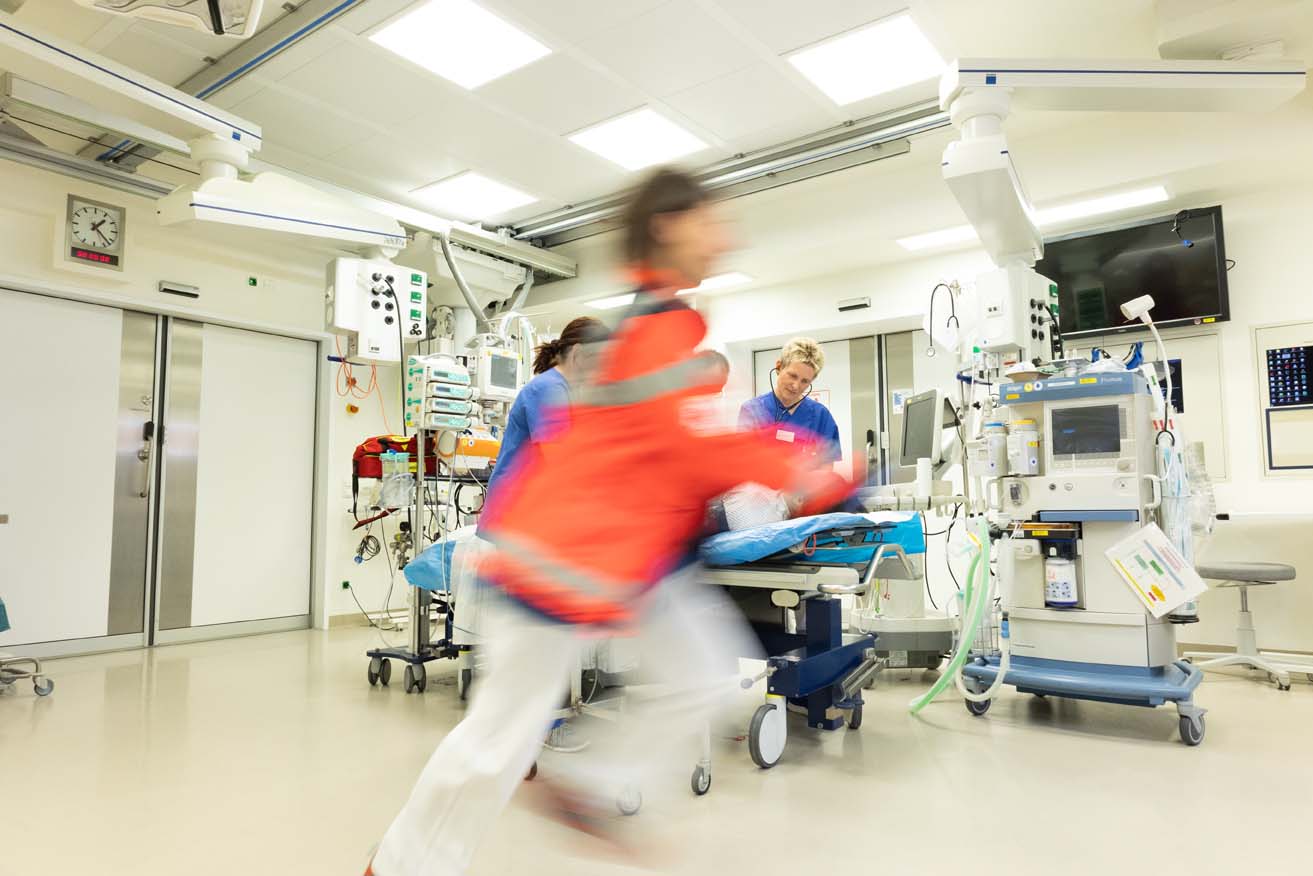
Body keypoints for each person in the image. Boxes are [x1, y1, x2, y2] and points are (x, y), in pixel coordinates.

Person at [367, 168, 853, 876]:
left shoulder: (665, 330)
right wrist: (804, 474)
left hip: (633, 562)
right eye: (708, 220)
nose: (723, 236)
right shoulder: (648, 334)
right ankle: (401, 865)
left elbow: (674, 456)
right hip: (556, 557)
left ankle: (592, 788)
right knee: (497, 741)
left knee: (706, 674)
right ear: (665, 227)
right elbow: (681, 450)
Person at [484, 315, 604, 497]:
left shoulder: (565, 390)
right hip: (513, 504)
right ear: (578, 353)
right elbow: (560, 460)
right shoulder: (549, 389)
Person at [739, 337, 843, 464]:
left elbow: (826, 468)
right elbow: (744, 462)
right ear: (779, 367)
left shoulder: (821, 416)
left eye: (805, 381)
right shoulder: (752, 411)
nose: (796, 386)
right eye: (792, 376)